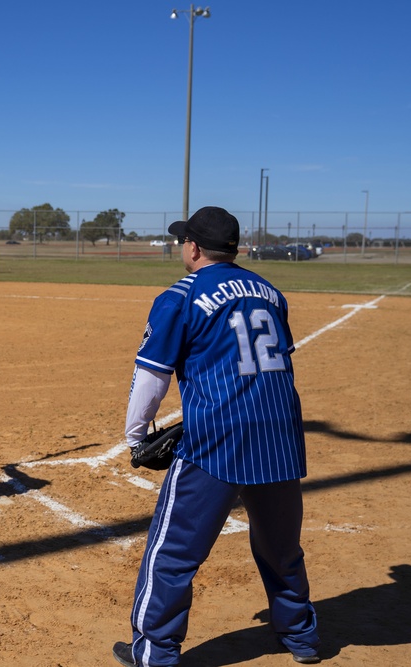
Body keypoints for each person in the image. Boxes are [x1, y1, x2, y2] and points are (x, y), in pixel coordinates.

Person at [112, 206, 320, 667]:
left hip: (217, 437)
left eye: (182, 241)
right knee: (282, 547)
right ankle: (302, 638)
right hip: (281, 434)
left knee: (172, 555)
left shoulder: (180, 295)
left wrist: (135, 435)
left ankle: (154, 653)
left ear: (193, 248)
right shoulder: (271, 291)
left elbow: (151, 374)